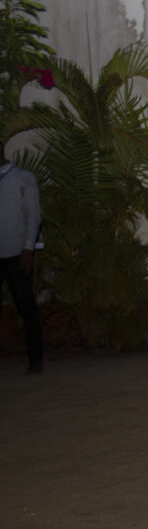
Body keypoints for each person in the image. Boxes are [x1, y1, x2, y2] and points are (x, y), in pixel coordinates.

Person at [0, 146, 43, 374]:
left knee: (26, 308)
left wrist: (28, 249)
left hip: (18, 254)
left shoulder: (23, 178)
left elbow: (33, 215)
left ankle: (35, 360)